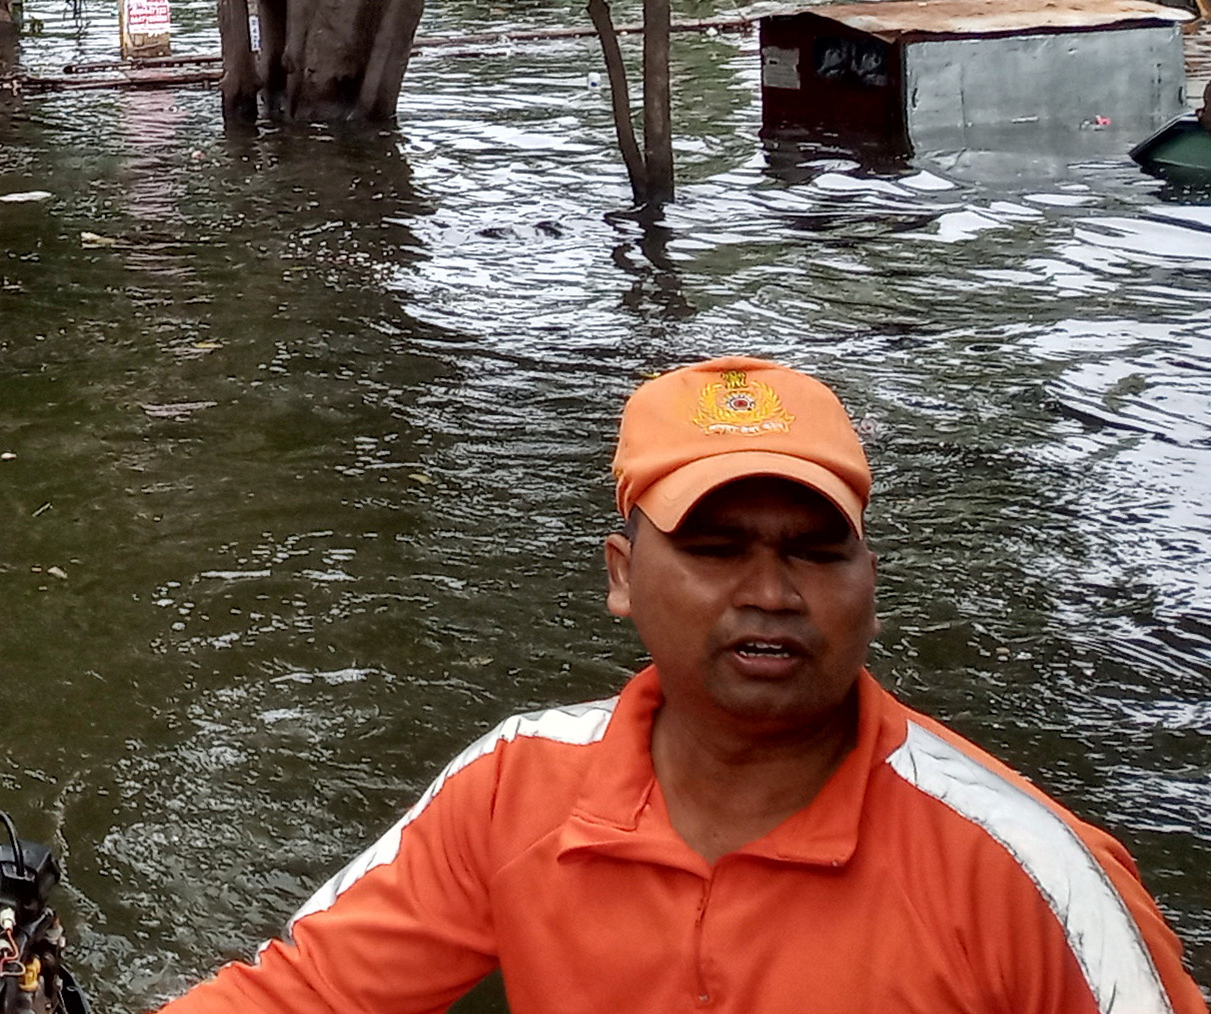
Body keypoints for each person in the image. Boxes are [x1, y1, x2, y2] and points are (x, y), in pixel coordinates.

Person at [160, 357, 1209, 1014]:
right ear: (622, 577)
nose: (770, 592)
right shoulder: (515, 789)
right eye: (714, 549)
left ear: (868, 588)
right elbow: (303, 994)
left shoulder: (1025, 870)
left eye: (813, 552)